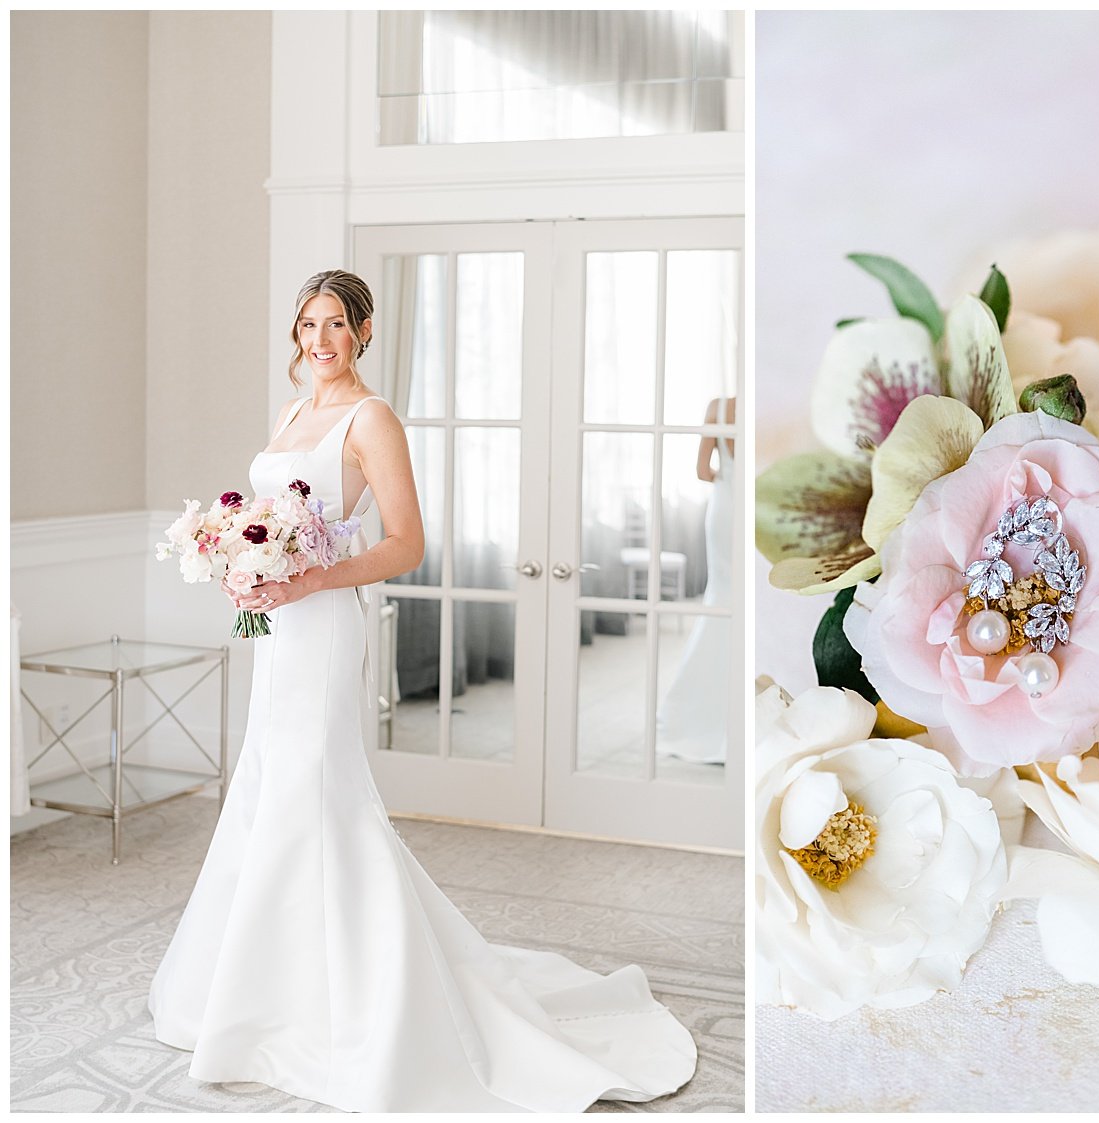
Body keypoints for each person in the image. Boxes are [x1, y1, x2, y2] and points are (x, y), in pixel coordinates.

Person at [147, 270, 697, 1112]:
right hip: (281, 626)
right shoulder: (295, 411)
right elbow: (271, 523)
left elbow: (405, 542)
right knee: (267, 782)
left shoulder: (373, 418)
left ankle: (355, 1000)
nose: (319, 338)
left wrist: (306, 581)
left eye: (336, 323)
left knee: (314, 791)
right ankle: (265, 990)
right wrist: (244, 566)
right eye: (307, 323)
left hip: (323, 627)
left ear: (365, 331)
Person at [656, 397, 735, 764]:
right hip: (752, 508)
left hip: (725, 508)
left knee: (720, 596)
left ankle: (696, 709)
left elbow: (703, 471)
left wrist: (728, 474)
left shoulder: (719, 407)